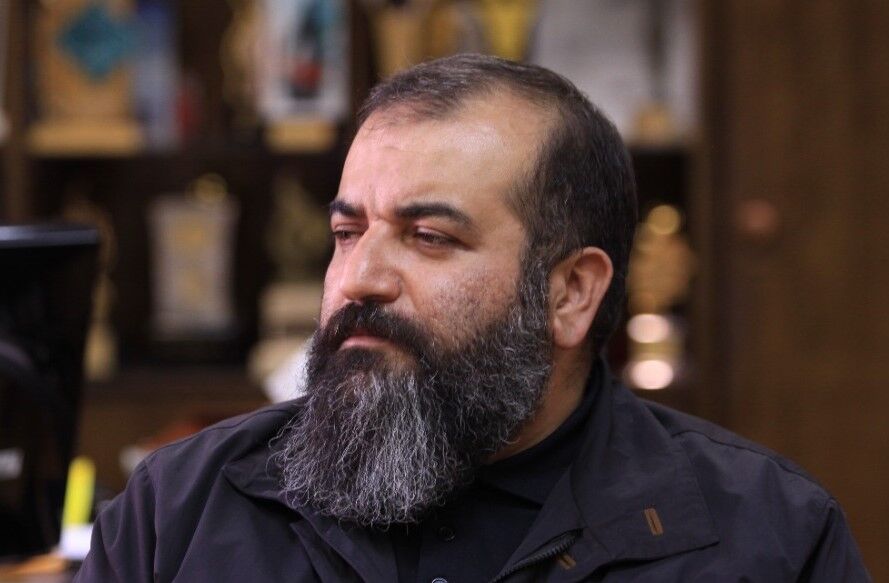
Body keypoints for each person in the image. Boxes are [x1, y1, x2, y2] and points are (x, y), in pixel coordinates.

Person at [74, 54, 869, 582]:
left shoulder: (767, 537)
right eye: (347, 232)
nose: (359, 279)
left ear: (570, 291)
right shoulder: (178, 512)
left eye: (429, 236)